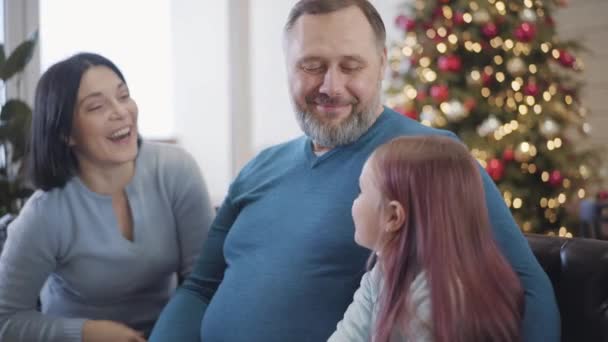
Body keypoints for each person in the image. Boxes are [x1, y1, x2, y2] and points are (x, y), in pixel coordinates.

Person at [150, 1, 559, 341]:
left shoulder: (430, 160)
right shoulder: (259, 168)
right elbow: (200, 288)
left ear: (381, 63)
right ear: (288, 66)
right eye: (311, 66)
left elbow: (529, 287)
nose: (331, 85)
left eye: (350, 66)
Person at [0, 53, 214, 342]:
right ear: (66, 133)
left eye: (123, 96)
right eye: (97, 106)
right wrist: (87, 332)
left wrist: (168, 335)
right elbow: (6, 320)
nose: (121, 112)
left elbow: (205, 279)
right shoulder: (44, 213)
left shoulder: (175, 169)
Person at [328, 135, 524, 342]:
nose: (354, 200)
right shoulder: (381, 274)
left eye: (361, 191)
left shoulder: (441, 300)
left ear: (393, 216)